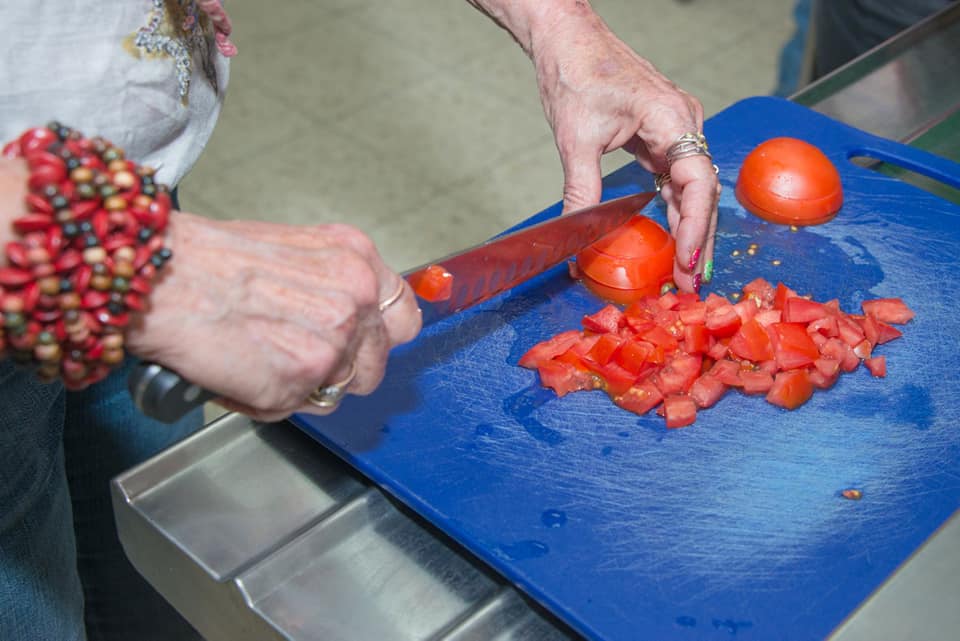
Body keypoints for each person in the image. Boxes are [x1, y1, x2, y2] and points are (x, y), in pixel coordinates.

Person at [0, 1, 719, 639]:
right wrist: (128, 257)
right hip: (83, 251)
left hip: (127, 192)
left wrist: (562, 25)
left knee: (146, 565)